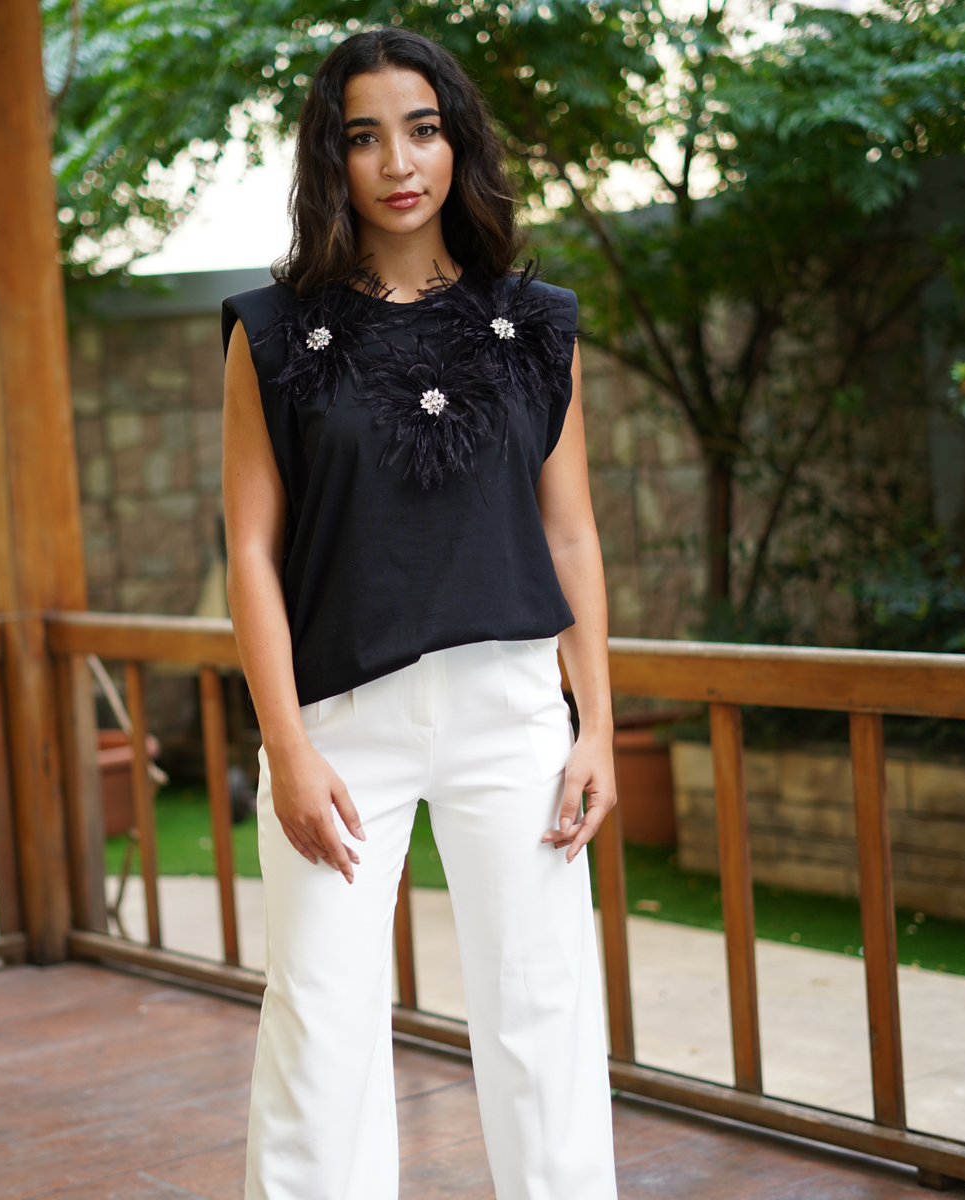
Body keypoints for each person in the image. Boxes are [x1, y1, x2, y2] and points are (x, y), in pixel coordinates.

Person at [221, 26, 618, 1200]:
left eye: (424, 128)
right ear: (328, 161)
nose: (399, 160)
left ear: (458, 142)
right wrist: (287, 745)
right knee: (322, 1029)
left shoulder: (538, 324)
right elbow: (249, 547)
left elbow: (571, 532)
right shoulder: (275, 333)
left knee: (542, 1017)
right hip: (341, 722)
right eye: (364, 136)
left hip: (512, 711)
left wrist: (594, 722)